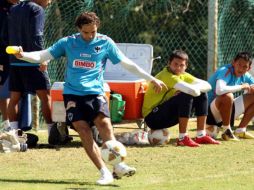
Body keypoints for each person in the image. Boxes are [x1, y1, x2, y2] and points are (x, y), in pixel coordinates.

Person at [12, 11, 167, 185]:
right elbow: (42, 55)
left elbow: (126, 63)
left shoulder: (105, 42)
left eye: (93, 31)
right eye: (86, 32)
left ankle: (118, 166)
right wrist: (23, 55)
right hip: (73, 95)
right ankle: (104, 172)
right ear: (79, 29)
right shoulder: (68, 42)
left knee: (105, 125)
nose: (90, 35)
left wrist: (151, 78)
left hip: (96, 93)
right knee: (84, 132)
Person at [142, 50, 220, 147]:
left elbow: (207, 85)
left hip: (165, 114)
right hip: (152, 117)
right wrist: (190, 89)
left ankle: (201, 135)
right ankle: (183, 138)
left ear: (186, 66)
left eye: (182, 65)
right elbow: (193, 91)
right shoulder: (167, 75)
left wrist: (191, 88)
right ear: (169, 63)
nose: (178, 67)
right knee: (186, 95)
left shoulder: (183, 75)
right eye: (175, 64)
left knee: (202, 94)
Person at [7, 0, 58, 142]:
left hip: (14, 60)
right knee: (45, 97)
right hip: (32, 60)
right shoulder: (37, 9)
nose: (50, 1)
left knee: (14, 98)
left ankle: (13, 134)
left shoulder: (14, 8)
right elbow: (37, 35)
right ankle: (52, 134)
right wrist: (41, 58)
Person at [206, 51, 254, 141]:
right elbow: (219, 90)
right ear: (233, 62)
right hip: (209, 113)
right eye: (239, 65)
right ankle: (226, 131)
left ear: (249, 68)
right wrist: (241, 87)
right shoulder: (225, 70)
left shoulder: (246, 75)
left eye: (245, 67)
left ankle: (241, 130)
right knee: (228, 96)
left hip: (224, 113)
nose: (241, 69)